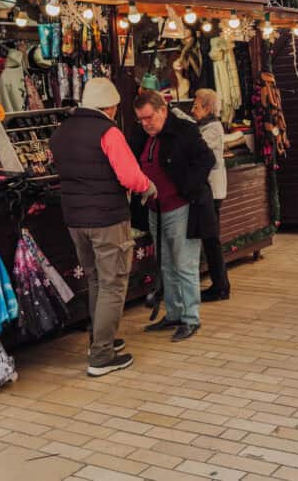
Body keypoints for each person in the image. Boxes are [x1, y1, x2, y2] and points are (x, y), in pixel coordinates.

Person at [50, 78, 156, 377]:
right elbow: (130, 177)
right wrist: (148, 186)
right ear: (109, 106)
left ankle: (99, 339)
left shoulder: (61, 132)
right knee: (113, 283)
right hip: (107, 219)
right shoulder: (108, 132)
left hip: (75, 220)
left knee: (96, 279)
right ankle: (101, 355)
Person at [130, 90, 216, 342]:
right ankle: (174, 312)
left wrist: (186, 188)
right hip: (156, 209)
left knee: (184, 263)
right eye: (141, 119)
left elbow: (207, 159)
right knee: (166, 263)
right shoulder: (141, 134)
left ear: (162, 111)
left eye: (149, 118)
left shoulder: (184, 130)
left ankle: (191, 317)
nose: (145, 124)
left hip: (181, 207)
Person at [191, 89, 230, 302]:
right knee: (210, 239)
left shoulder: (213, 128)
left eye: (196, 106)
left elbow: (197, 148)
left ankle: (221, 286)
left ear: (207, 108)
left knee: (212, 239)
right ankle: (219, 284)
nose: (192, 110)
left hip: (213, 191)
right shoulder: (205, 126)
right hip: (209, 190)